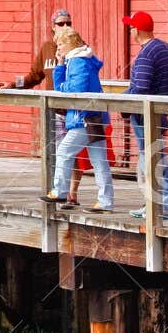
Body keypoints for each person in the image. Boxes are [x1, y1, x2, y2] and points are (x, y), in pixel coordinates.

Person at [0, 8, 74, 200]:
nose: (65, 27)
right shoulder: (47, 48)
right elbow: (34, 76)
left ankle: (71, 193)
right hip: (53, 110)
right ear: (52, 27)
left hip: (73, 109)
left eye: (68, 23)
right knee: (56, 151)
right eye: (61, 23)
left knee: (72, 152)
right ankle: (58, 191)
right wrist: (13, 84)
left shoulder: (77, 46)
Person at [41, 26, 113, 211]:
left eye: (60, 45)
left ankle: (60, 191)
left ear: (70, 43)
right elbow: (64, 86)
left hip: (83, 117)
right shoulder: (76, 60)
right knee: (99, 161)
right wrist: (59, 65)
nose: (58, 49)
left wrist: (62, 86)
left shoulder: (79, 61)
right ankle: (105, 201)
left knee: (65, 151)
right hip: (92, 116)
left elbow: (76, 90)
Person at [121, 11, 168, 219]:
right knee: (157, 156)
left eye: (132, 27)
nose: (130, 30)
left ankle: (159, 206)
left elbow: (141, 86)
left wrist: (123, 100)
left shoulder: (146, 53)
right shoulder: (163, 47)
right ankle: (163, 204)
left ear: (138, 30)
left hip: (146, 113)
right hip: (159, 110)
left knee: (150, 158)